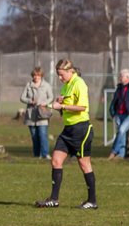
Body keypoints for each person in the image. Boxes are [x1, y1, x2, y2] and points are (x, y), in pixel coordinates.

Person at [36, 58, 98, 210]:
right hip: (68, 129)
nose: (60, 77)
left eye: (61, 74)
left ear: (71, 71)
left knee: (84, 164)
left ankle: (92, 201)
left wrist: (62, 105)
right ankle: (54, 199)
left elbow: (82, 107)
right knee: (56, 160)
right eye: (58, 74)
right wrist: (50, 106)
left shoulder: (79, 84)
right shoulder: (65, 87)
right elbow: (64, 108)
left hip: (81, 129)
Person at [20, 66, 54, 159]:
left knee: (43, 134)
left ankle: (45, 154)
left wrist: (44, 103)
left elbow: (51, 97)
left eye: (38, 75)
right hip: (31, 115)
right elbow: (22, 97)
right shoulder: (28, 85)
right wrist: (30, 101)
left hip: (42, 114)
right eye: (34, 75)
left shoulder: (46, 85)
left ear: (41, 76)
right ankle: (36, 154)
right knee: (34, 136)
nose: (36, 77)